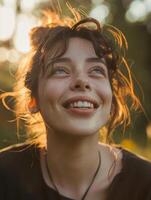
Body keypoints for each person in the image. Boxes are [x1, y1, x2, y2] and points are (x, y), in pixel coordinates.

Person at [0, 10, 151, 200]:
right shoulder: (5, 177)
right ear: (33, 100)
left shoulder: (145, 185)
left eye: (96, 70)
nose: (82, 81)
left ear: (111, 100)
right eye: (61, 70)